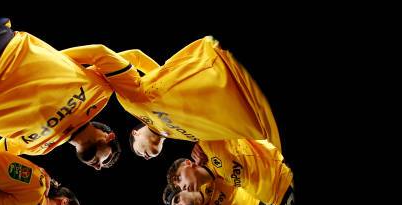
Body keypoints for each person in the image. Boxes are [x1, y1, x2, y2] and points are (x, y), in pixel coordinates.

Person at [0, 17, 121, 169]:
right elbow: (116, 57)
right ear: (109, 136)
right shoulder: (101, 93)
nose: (98, 167)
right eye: (105, 161)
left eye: (99, 167)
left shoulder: (39, 148)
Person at [61, 35, 280, 152]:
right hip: (269, 126)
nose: (145, 157)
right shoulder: (186, 139)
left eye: (138, 152)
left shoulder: (133, 103)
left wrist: (161, 74)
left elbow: (132, 56)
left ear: (135, 134)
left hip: (232, 67)